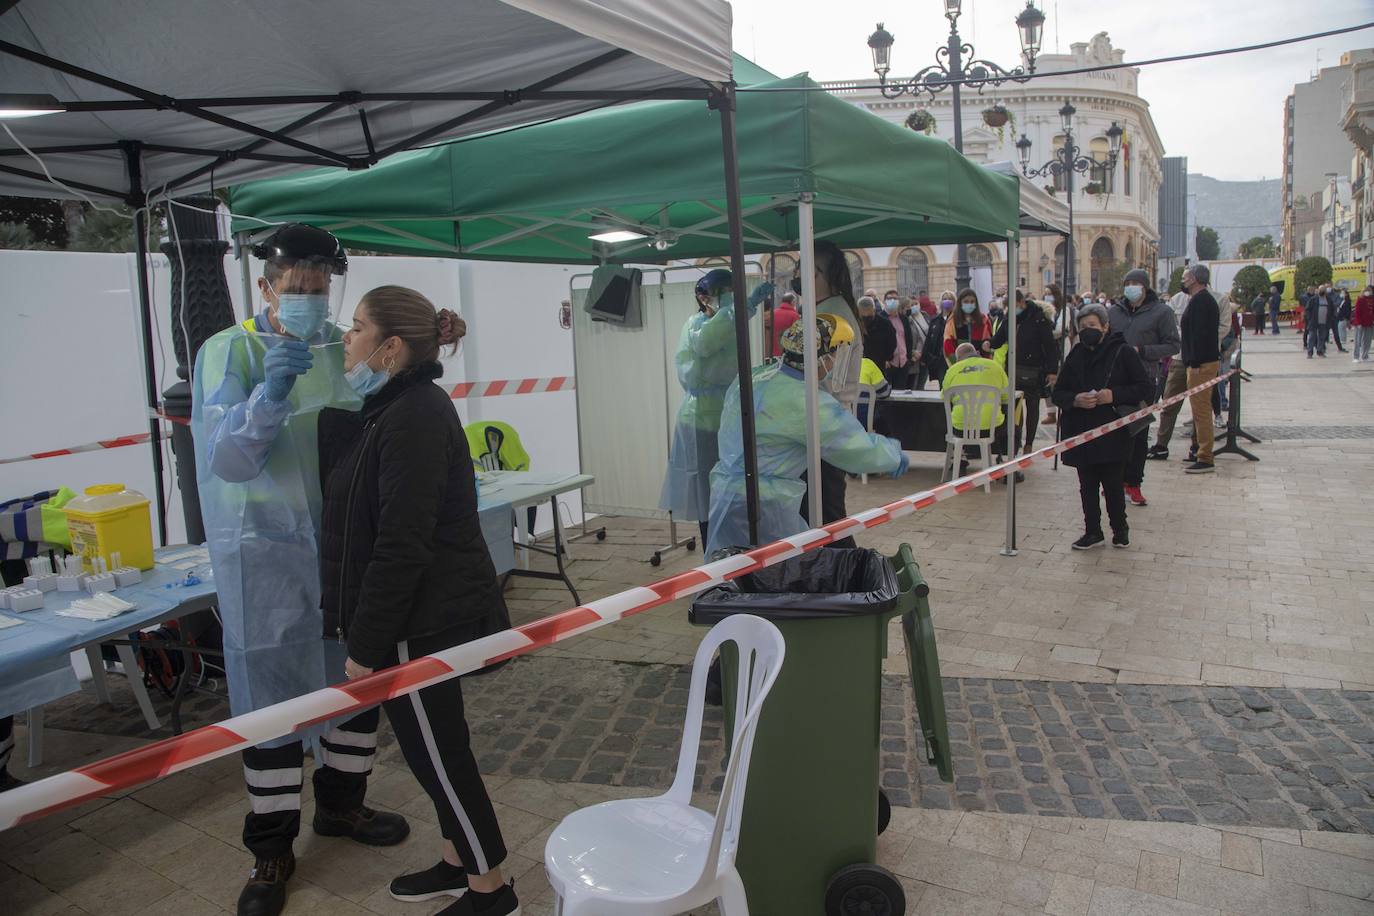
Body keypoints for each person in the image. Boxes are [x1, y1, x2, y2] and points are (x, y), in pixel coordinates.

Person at [192, 224, 408, 916]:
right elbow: (226, 459)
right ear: (266, 287)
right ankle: (270, 848)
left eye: (321, 286)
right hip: (267, 558)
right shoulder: (231, 351)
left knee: (355, 683)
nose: (313, 298)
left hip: (344, 552)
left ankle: (343, 808)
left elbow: (387, 395)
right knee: (274, 701)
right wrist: (270, 395)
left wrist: (428, 340)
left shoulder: (343, 346)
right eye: (298, 287)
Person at [319, 286, 517, 916]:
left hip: (419, 620)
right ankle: (460, 861)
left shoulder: (415, 415)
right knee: (433, 751)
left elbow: (402, 543)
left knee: (439, 755)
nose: (346, 342)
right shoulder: (394, 409)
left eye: (356, 330)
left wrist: (367, 643)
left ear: (391, 348)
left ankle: (492, 889)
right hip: (415, 615)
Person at [706, 314, 906, 556]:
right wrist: (892, 453)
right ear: (820, 356)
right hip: (766, 508)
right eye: (835, 354)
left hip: (725, 496)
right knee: (777, 579)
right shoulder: (807, 401)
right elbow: (854, 447)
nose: (834, 363)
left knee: (728, 576)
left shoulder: (756, 375)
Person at [660, 269, 770, 548]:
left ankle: (734, 552)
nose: (730, 298)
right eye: (724, 292)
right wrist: (742, 306)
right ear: (703, 297)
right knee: (708, 492)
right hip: (700, 419)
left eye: (733, 292)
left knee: (731, 490)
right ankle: (714, 557)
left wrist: (750, 305)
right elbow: (709, 340)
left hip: (728, 412)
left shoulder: (727, 319)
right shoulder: (696, 326)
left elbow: (731, 322)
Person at [1052, 303, 1153, 550]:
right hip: (1081, 430)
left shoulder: (1123, 352)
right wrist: (1075, 399)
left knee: (1112, 484)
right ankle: (1092, 531)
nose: (1088, 330)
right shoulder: (1075, 355)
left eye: (1093, 326)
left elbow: (1145, 389)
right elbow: (1058, 392)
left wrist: (1113, 395)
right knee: (1086, 485)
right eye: (1083, 326)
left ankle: (1120, 528)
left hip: (1112, 432)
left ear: (1105, 326)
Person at [797, 240, 865, 549]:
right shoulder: (824, 311)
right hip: (821, 423)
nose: (800, 276)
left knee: (826, 513)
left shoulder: (831, 318)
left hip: (823, 425)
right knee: (821, 509)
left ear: (830, 276)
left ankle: (848, 582)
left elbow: (825, 378)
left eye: (809, 271)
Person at [1108, 269, 1179, 506]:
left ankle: (1134, 482)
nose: (1131, 287)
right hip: (1115, 379)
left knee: (1138, 433)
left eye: (1135, 283)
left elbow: (1172, 345)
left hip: (1145, 380)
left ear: (1145, 287)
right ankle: (1115, 481)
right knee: (1115, 432)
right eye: (1127, 283)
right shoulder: (1114, 312)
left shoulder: (1162, 312)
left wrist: (1143, 351)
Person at [1002, 290, 1061, 468]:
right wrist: (988, 343)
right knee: (1014, 408)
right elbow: (999, 338)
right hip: (1012, 370)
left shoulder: (1039, 319)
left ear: (1021, 303)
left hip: (1034, 370)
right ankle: (1015, 442)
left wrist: (1052, 370)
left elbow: (1051, 347)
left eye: (1012, 306)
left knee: (1032, 406)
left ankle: (1029, 444)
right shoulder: (1010, 319)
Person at [942, 342, 1013, 476]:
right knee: (1009, 420)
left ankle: (959, 459)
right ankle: (1002, 460)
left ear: (958, 359)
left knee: (949, 417)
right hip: (992, 427)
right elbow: (1007, 396)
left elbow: (944, 396)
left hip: (960, 427)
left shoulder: (953, 369)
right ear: (976, 353)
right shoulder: (995, 366)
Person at [1177, 263, 1221, 473]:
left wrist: (1194, 362)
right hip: (1199, 363)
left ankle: (1205, 456)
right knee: (1198, 410)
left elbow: (1201, 336)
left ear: (1195, 279)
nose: (1183, 280)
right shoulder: (1198, 300)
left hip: (1201, 365)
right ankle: (1198, 448)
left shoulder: (1202, 301)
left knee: (1202, 411)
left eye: (1185, 277)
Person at [943, 288, 992, 359]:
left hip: (980, 364)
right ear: (960, 303)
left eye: (972, 302)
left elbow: (988, 341)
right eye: (966, 302)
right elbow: (948, 345)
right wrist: (957, 362)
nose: (969, 304)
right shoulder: (952, 321)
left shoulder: (983, 320)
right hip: (960, 364)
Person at [882, 289, 914, 390]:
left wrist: (908, 357)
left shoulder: (903, 319)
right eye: (889, 298)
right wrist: (883, 359)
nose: (892, 300)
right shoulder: (880, 318)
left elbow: (908, 339)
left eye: (895, 299)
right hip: (888, 364)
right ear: (884, 301)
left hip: (903, 362)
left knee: (901, 393)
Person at [921, 292, 954, 388]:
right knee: (943, 385)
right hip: (939, 360)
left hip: (952, 358)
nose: (947, 301)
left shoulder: (956, 319)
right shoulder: (935, 320)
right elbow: (929, 339)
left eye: (949, 298)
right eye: (944, 299)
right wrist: (925, 357)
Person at [859, 295, 897, 370]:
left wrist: (886, 358)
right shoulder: (855, 324)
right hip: (859, 366)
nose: (866, 318)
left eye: (869, 316)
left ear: (874, 310)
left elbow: (892, 343)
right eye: (863, 316)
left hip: (879, 365)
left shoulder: (885, 324)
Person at [857, 355, 892, 430]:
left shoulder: (834, 366)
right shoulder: (868, 364)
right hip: (864, 423)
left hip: (840, 425)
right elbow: (884, 393)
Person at [902, 297, 929, 390]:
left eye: (915, 304)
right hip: (914, 357)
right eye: (911, 305)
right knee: (914, 386)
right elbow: (914, 338)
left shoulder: (925, 315)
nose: (914, 307)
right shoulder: (908, 320)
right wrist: (915, 352)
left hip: (925, 355)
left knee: (921, 384)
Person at [770, 291, 800, 358]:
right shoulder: (794, 315)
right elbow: (797, 334)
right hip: (787, 351)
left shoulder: (773, 313)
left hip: (772, 350)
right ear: (792, 302)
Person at [1306, 283, 1329, 358]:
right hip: (1314, 322)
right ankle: (1310, 353)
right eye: (1321, 290)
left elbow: (1331, 309)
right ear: (1318, 290)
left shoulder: (1328, 299)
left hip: (1324, 322)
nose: (1322, 291)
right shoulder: (1313, 299)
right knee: (1312, 337)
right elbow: (1308, 309)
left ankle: (1320, 351)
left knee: (1322, 337)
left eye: (1324, 290)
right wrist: (1309, 318)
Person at [1353, 285, 1374, 362]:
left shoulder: (1372, 300)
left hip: (1369, 323)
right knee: (1358, 340)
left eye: (1368, 291)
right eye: (1365, 291)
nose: (1367, 292)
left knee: (1367, 340)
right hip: (1360, 323)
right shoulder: (1360, 300)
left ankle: (1365, 356)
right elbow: (1357, 312)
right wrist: (1359, 323)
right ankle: (1356, 357)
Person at [1335, 288, 1352, 353]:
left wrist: (1346, 318)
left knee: (1341, 328)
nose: (1341, 294)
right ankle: (1343, 340)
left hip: (1343, 317)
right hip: (1340, 317)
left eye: (1343, 293)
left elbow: (1347, 310)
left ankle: (1343, 340)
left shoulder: (1347, 301)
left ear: (1346, 294)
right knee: (1341, 329)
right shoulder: (1342, 300)